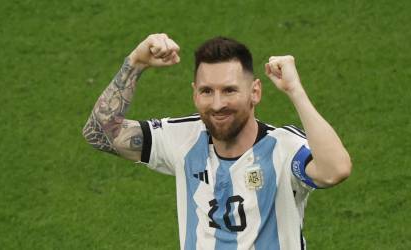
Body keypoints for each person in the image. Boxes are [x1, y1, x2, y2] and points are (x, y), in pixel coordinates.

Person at [82, 33, 352, 250]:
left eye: (229, 90)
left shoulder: (282, 147)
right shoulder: (183, 138)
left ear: (255, 92)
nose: (218, 104)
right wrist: (136, 62)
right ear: (194, 94)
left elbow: (335, 170)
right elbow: (100, 132)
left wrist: (295, 91)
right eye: (207, 91)